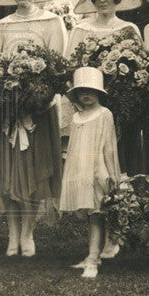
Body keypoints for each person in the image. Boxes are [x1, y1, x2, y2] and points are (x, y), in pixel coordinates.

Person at [0, 0, 67, 257]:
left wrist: (40, 99)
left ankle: (28, 232)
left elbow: (58, 67)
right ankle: (11, 233)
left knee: (34, 172)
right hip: (8, 111)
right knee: (10, 173)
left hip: (40, 110)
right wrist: (7, 98)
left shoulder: (52, 22)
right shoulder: (1, 25)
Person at [66, 0, 144, 184]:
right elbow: (71, 68)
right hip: (90, 102)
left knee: (122, 150)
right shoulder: (81, 30)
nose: (102, 1)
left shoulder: (129, 29)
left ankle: (125, 200)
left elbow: (139, 71)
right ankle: (94, 206)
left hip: (122, 104)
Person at [58, 68, 121, 280]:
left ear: (99, 93)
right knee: (91, 216)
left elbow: (109, 146)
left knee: (97, 215)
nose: (86, 95)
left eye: (91, 91)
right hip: (81, 170)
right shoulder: (76, 117)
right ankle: (93, 255)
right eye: (82, 91)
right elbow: (75, 147)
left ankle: (93, 260)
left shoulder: (105, 114)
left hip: (98, 170)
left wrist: (111, 173)